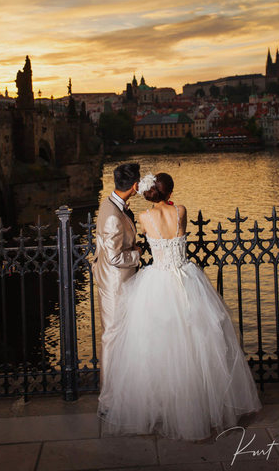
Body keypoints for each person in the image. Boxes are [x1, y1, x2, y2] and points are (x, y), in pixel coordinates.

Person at [97, 172, 262, 441]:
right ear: (170, 193)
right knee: (196, 343)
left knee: (157, 346)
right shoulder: (181, 211)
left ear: (150, 191)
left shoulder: (144, 218)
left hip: (157, 280)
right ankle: (199, 405)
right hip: (186, 278)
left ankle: (163, 405)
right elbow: (175, 218)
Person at [92, 162, 141, 402]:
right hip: (114, 284)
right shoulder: (112, 215)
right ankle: (108, 398)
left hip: (116, 282)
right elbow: (114, 257)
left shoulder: (111, 204)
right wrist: (137, 254)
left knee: (121, 336)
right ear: (134, 185)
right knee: (111, 337)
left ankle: (123, 389)